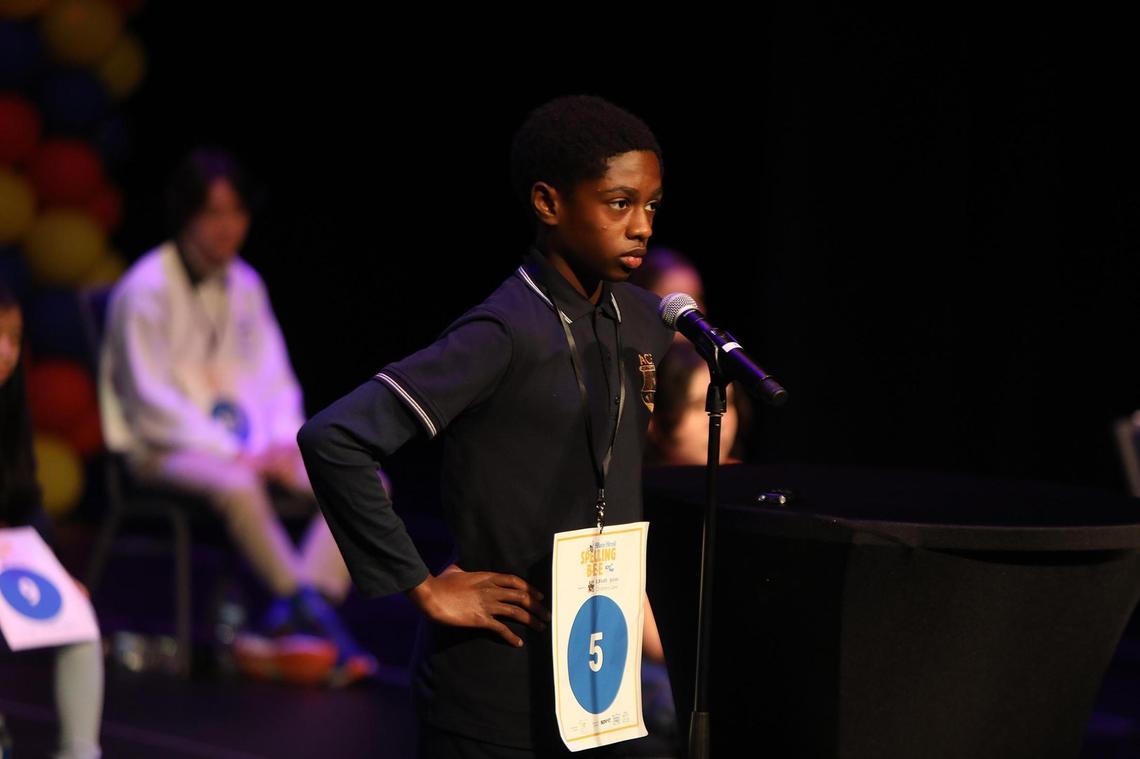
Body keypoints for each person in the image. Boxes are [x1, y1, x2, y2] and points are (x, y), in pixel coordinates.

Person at [298, 95, 675, 756]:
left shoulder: (644, 323)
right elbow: (336, 437)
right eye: (619, 203)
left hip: (598, 675)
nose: (641, 225)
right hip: (494, 681)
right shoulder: (502, 331)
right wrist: (423, 585)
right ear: (549, 203)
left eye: (650, 205)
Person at [98, 148, 375, 686]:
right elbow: (150, 401)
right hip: (163, 450)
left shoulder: (245, 284)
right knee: (239, 484)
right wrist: (235, 453)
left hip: (250, 449)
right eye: (214, 213)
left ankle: (294, 613)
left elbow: (274, 377)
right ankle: (310, 620)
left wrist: (278, 441)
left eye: (237, 213)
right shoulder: (145, 289)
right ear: (187, 215)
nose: (228, 228)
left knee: (361, 481)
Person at [0, 278, 104, 759]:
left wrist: (58, 575)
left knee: (78, 618)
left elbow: (25, 501)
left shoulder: (10, 405)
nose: (6, 352)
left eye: (16, 338)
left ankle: (80, 752)